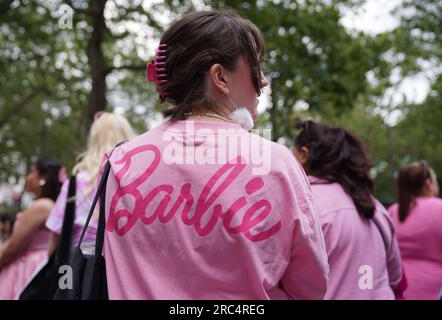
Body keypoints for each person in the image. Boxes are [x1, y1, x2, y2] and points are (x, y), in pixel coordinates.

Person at [101, 9, 329, 300]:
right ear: (220, 77)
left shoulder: (120, 162)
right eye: (255, 69)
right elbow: (310, 286)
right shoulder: (276, 163)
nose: (263, 82)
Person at [293, 120, 402, 299]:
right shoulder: (375, 208)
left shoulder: (302, 204)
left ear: (304, 155)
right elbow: (396, 278)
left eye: (292, 153)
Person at [46, 112, 136, 255]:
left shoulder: (76, 184)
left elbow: (55, 239)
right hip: (124, 269)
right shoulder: (136, 182)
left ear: (94, 140)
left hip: (81, 272)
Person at [0, 159, 63, 299]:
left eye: (32, 172)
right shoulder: (51, 205)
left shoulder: (41, 206)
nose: (28, 177)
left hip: (27, 267)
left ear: (43, 178)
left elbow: (15, 245)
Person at [388, 161, 442, 300]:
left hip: (396, 289)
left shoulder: (393, 211)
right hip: (433, 290)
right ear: (428, 183)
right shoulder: (439, 208)